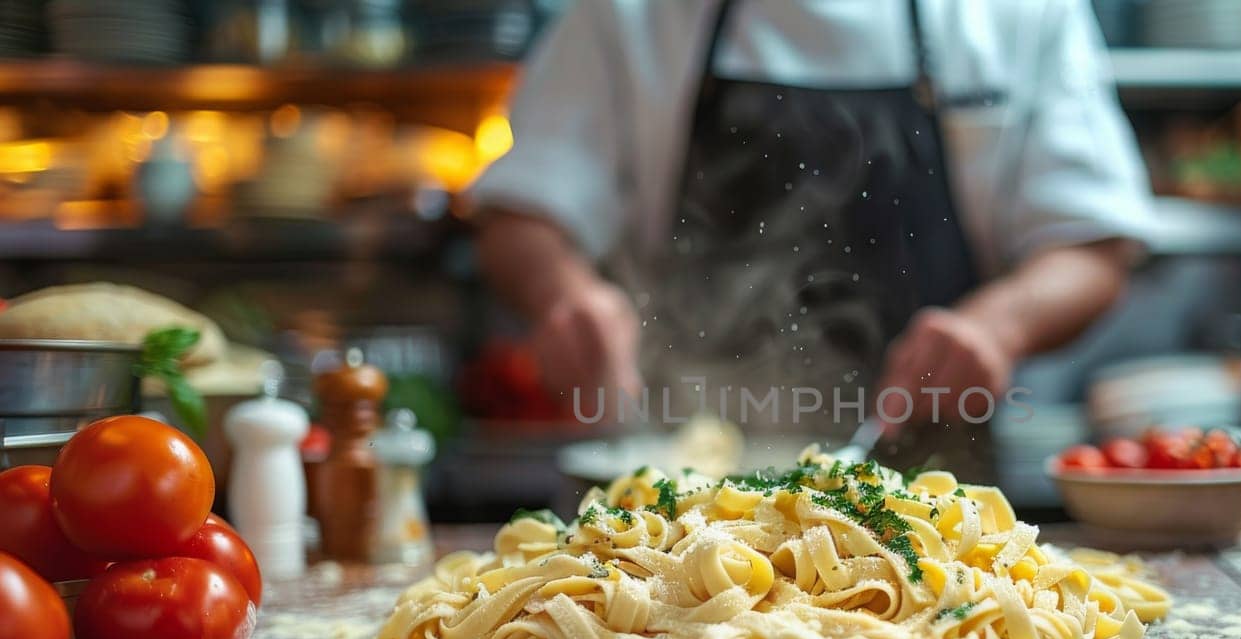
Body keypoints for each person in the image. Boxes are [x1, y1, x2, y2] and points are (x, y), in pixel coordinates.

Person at [473, 0, 1150, 468]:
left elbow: (1094, 243)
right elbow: (522, 213)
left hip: (942, 496)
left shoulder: (1017, 13)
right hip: (674, 486)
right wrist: (561, 293)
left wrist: (1001, 326)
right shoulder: (630, 14)